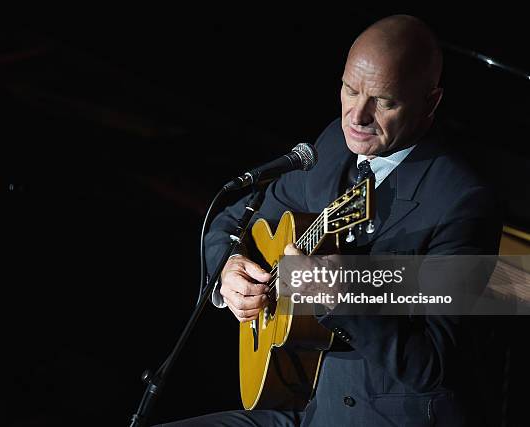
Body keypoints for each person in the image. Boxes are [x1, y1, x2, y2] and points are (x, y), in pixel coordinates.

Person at [156, 14, 502, 426]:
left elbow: (432, 364)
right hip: (307, 406)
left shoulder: (462, 201)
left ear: (430, 103)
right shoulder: (335, 146)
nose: (357, 116)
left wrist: (343, 295)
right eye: (349, 90)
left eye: (384, 102)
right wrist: (228, 269)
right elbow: (235, 220)